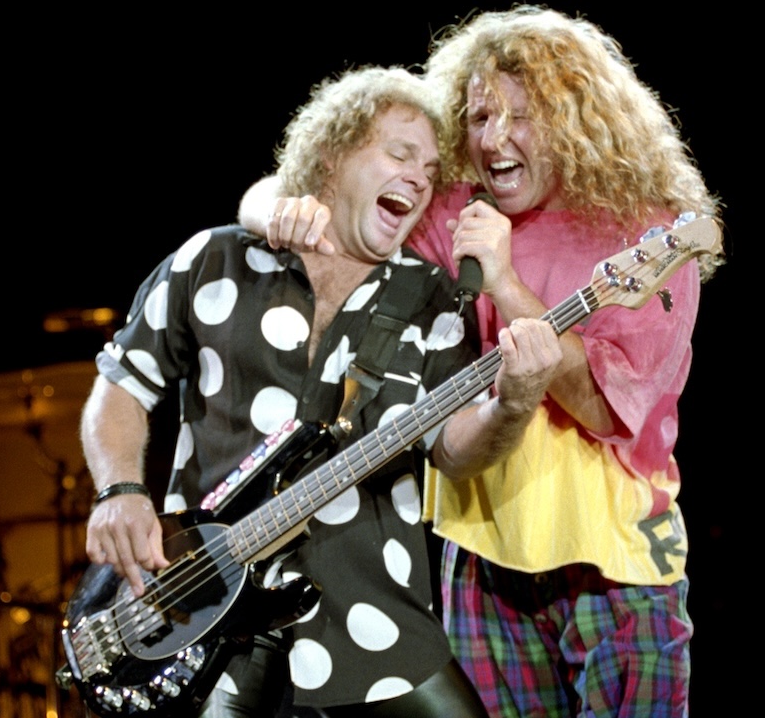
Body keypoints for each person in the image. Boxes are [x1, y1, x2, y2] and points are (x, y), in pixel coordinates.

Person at [237, 6, 722, 717]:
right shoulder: (457, 209)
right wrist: (271, 213)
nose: (493, 139)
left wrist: (504, 281)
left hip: (612, 565)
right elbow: (284, 193)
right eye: (478, 116)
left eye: (520, 116)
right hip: (481, 562)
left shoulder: (646, 232)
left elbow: (602, 407)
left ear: (576, 118)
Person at [79, 64, 562, 718]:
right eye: (399, 153)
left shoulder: (431, 300)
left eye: (429, 167)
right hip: (203, 613)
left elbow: (455, 449)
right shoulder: (213, 261)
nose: (420, 176)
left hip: (377, 626)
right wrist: (120, 491)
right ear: (332, 155)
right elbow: (121, 388)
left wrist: (514, 402)